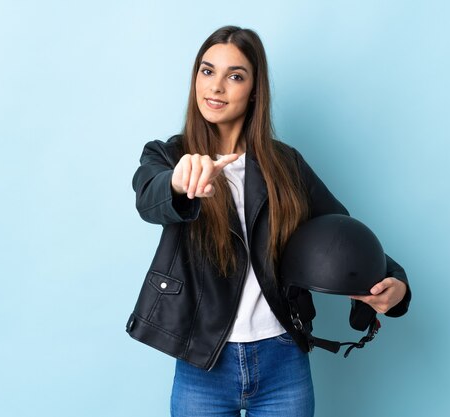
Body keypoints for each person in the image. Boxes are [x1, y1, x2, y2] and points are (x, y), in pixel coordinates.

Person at [126, 25, 411, 417]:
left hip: (282, 361)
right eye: (207, 71)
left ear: (255, 90)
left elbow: (340, 232)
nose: (217, 86)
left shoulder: (286, 166)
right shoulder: (170, 156)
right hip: (203, 361)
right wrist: (179, 181)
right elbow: (149, 196)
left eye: (235, 75)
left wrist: (396, 285)